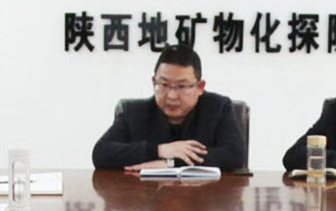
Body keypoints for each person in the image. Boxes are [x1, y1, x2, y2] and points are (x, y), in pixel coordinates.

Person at [92, 45, 249, 172]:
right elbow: (101, 153)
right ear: (154, 82)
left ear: (200, 87)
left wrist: (171, 163)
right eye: (164, 84)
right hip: (146, 197)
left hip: (204, 197)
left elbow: (234, 156)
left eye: (182, 86)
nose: (172, 96)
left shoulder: (218, 108)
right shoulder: (134, 113)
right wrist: (159, 151)